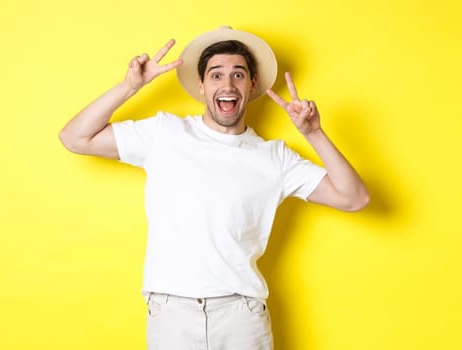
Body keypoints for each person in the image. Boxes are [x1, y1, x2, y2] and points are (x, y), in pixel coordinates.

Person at [57, 26, 369, 349]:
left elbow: (354, 197)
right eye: (216, 75)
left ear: (252, 84)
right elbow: (74, 137)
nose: (228, 84)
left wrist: (314, 133)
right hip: (171, 315)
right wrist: (129, 86)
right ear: (202, 85)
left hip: (241, 317)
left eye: (238, 74)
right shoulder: (165, 134)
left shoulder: (274, 157)